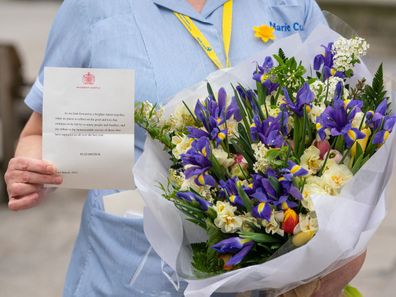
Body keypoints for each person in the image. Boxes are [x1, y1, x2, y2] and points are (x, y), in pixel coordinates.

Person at [4, 0, 366, 296]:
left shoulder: (289, 6)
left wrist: (343, 243)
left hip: (263, 274)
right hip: (128, 272)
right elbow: (39, 133)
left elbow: (340, 125)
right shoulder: (93, 9)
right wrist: (39, 173)